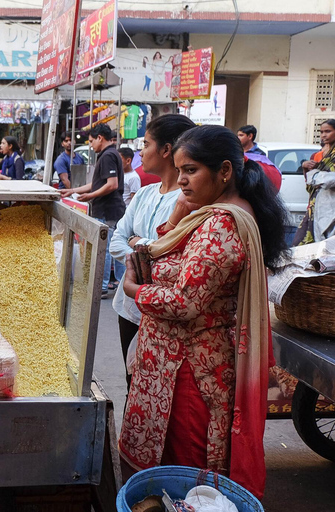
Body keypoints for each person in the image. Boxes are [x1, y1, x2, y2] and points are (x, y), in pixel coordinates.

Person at [119, 124, 288, 499]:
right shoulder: (206, 214)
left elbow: (185, 302)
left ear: (224, 171)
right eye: (179, 171)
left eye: (190, 170)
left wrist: (135, 290)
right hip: (178, 366)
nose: (181, 180)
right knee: (175, 473)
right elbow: (169, 246)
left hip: (191, 370)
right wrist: (180, 210)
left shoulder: (221, 225)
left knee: (186, 475)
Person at [109, 114, 196, 389]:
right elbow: (116, 242)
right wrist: (145, 248)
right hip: (129, 308)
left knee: (156, 385)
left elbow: (175, 254)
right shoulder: (145, 194)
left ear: (166, 150)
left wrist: (137, 243)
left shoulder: (189, 200)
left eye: (145, 144)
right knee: (131, 381)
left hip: (161, 309)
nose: (140, 152)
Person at [60, 124, 126, 298]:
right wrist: (74, 191)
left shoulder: (108, 156)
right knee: (114, 245)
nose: (90, 145)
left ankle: (102, 286)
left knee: (103, 249)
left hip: (107, 210)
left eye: (91, 141)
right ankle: (120, 282)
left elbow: (112, 184)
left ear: (100, 138)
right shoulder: (109, 154)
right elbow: (97, 183)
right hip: (111, 209)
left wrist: (90, 196)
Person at [294, 118, 335, 245]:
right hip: (315, 205)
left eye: (327, 131)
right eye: (321, 132)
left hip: (331, 206)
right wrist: (305, 167)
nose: (323, 135)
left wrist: (317, 176)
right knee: (301, 244)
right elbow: (311, 183)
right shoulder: (318, 155)